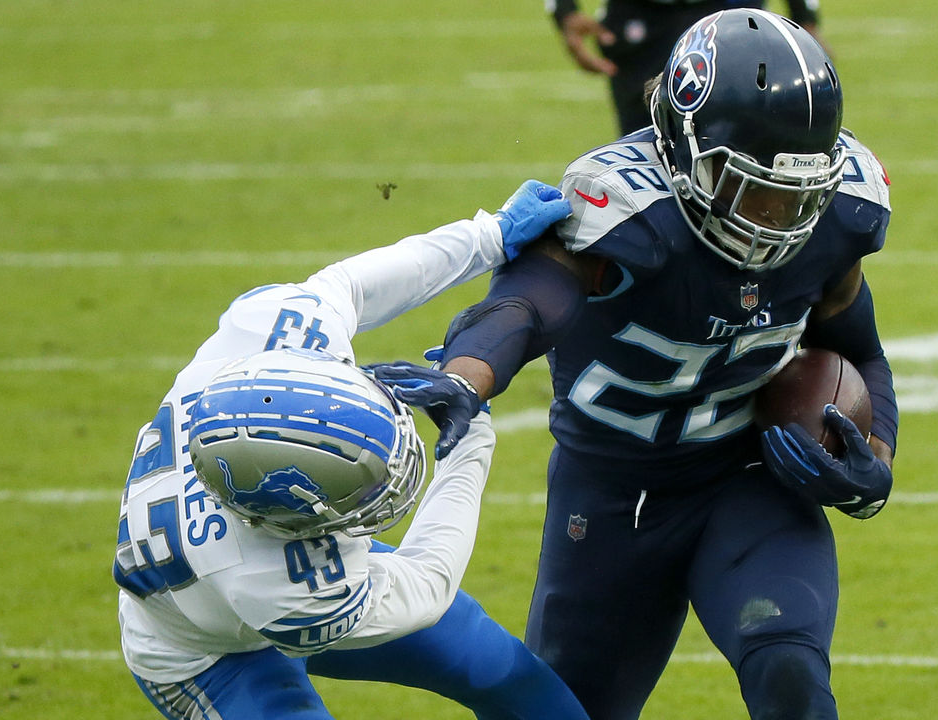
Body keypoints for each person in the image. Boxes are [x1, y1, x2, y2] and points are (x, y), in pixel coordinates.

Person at [436, 9, 897, 718]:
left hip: (749, 478)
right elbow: (527, 306)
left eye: (799, 194)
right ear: (684, 148)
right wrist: (466, 376)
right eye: (755, 189)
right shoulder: (627, 212)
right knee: (565, 710)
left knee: (792, 682)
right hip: (613, 497)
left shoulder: (838, 215)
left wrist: (876, 459)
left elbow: (858, 349)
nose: (780, 218)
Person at [113, 180, 591, 719]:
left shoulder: (265, 334)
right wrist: (470, 440)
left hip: (256, 562)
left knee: (510, 678)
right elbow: (429, 579)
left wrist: (491, 234)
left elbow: (352, 285)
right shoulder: (290, 587)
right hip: (206, 654)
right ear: (298, 516)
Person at [548, 0, 824, 135]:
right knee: (648, 155)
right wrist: (564, 10)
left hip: (731, 7)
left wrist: (804, 16)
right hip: (641, 16)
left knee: (750, 144)